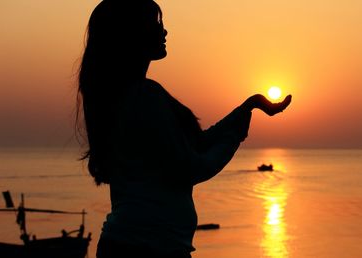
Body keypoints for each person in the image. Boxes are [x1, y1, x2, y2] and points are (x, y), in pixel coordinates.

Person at [76, 1, 292, 258]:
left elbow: (196, 144)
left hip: (134, 245)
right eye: (156, 24)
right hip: (146, 249)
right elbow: (192, 168)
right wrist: (234, 137)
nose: (164, 31)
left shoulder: (122, 97)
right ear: (132, 34)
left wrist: (248, 106)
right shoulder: (144, 96)